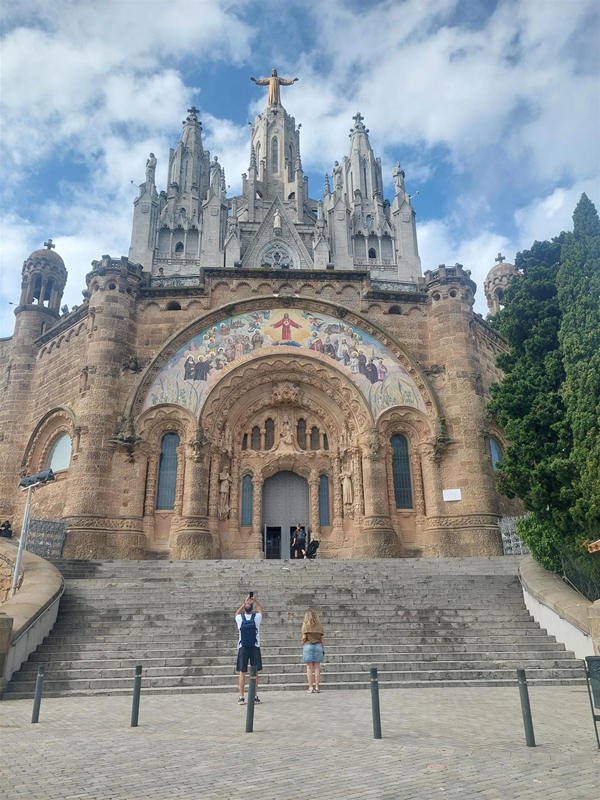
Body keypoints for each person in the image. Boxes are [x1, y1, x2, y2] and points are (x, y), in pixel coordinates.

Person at [235, 594, 263, 705]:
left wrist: (244, 603)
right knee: (255, 672)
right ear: (252, 609)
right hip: (255, 646)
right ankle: (254, 696)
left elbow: (236, 613)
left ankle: (241, 697)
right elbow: (260, 610)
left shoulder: (239, 618)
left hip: (243, 646)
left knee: (242, 672)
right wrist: (255, 601)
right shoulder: (256, 618)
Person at [302, 609, 325, 693]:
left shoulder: (305, 624)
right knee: (317, 668)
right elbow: (322, 638)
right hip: (318, 645)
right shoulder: (319, 625)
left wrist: (302, 642)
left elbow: (304, 636)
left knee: (309, 667)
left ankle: (311, 687)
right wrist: (323, 648)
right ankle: (317, 687)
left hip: (308, 645)